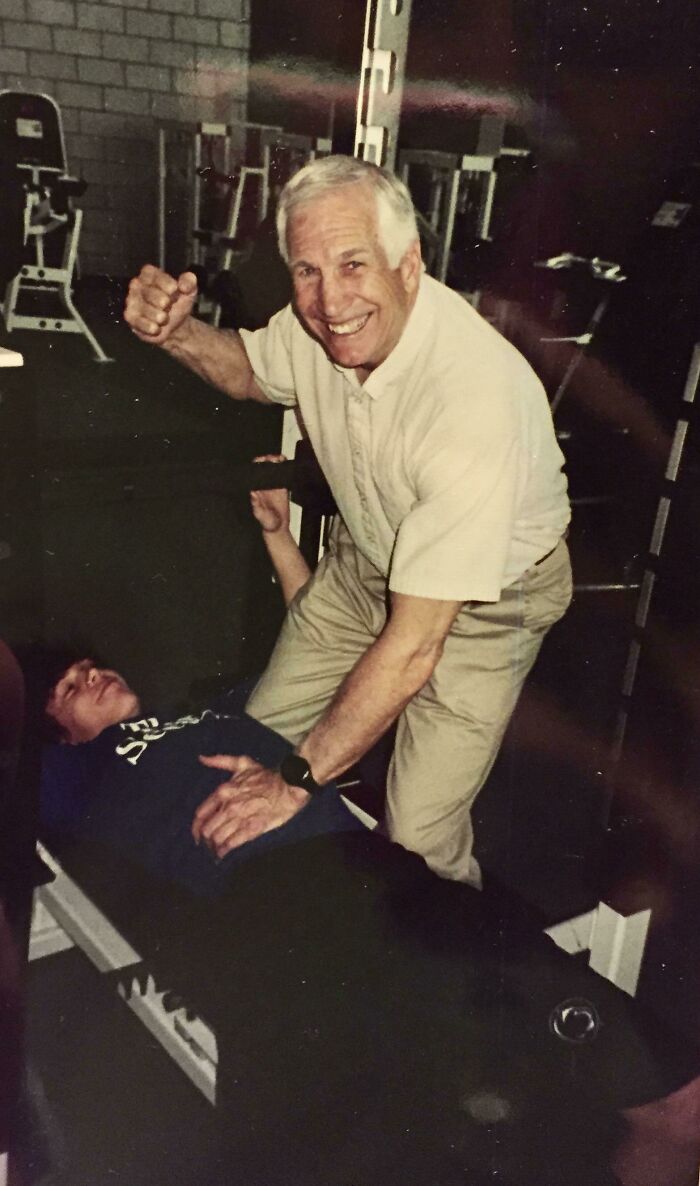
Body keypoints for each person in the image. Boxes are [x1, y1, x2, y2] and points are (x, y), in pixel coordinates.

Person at [124, 154, 572, 885]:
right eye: (308, 270)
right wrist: (174, 333)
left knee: (416, 837)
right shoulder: (316, 324)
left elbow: (415, 645)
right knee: (256, 738)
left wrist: (297, 781)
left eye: (354, 264)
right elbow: (247, 369)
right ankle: (279, 921)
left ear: (409, 263)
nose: (330, 300)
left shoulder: (471, 401)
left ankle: (441, 975)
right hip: (369, 558)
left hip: (490, 602)